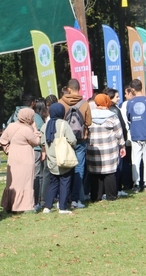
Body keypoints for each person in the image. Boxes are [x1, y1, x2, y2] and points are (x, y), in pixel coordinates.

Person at [0, 108, 42, 213]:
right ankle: (24, 205)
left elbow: (3, 140)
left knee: (12, 182)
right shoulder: (27, 129)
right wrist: (35, 129)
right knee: (26, 182)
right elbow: (37, 141)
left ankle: (10, 204)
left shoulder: (11, 126)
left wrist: (8, 150)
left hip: (13, 156)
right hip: (26, 157)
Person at [58, 79, 91, 208]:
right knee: (79, 169)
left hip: (64, 141)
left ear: (68, 89)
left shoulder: (61, 102)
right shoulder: (85, 103)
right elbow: (89, 122)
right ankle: (76, 200)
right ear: (79, 88)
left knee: (64, 168)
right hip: (80, 140)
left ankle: (63, 198)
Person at [86, 94, 125, 201]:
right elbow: (119, 133)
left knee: (95, 173)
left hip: (93, 148)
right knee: (110, 173)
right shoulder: (112, 116)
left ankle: (95, 196)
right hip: (109, 149)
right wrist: (122, 146)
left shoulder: (89, 115)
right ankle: (111, 196)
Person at [42, 103, 76, 214]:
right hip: (63, 158)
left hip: (51, 159)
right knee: (65, 182)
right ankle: (62, 207)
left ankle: (47, 206)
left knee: (53, 183)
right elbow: (72, 140)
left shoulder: (45, 125)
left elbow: (42, 142)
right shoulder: (64, 124)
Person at [126, 79, 146, 192]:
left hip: (135, 133)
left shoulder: (130, 102)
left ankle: (136, 183)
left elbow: (129, 117)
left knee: (135, 159)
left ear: (133, 89)